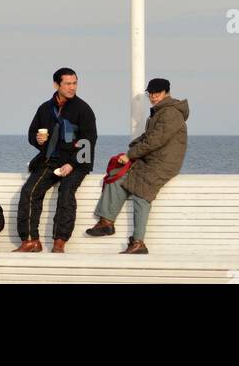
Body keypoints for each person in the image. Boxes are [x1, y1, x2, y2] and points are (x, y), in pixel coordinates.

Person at [85, 78, 188, 253]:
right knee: (117, 177)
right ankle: (107, 222)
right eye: (151, 94)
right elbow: (150, 136)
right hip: (152, 159)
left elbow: (155, 140)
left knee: (142, 191)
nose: (154, 97)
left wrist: (131, 154)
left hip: (164, 162)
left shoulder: (170, 113)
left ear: (167, 93)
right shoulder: (160, 111)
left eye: (158, 94)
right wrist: (132, 148)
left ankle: (138, 242)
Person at [14, 68, 98, 253]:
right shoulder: (44, 108)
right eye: (68, 83)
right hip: (51, 159)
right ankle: (30, 241)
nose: (72, 87)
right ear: (56, 85)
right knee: (29, 191)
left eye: (75, 83)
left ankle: (59, 242)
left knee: (66, 193)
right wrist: (38, 139)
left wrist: (72, 164)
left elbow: (89, 141)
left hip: (76, 162)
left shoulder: (83, 109)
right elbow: (32, 133)